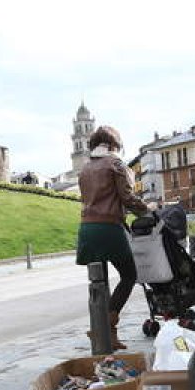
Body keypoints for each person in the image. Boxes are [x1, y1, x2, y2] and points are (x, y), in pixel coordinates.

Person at [76, 125, 152, 350]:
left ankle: (105, 334)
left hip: (87, 230)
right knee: (129, 276)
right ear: (113, 145)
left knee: (100, 283)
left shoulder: (85, 168)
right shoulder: (116, 164)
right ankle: (105, 325)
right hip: (109, 227)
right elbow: (127, 197)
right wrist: (147, 211)